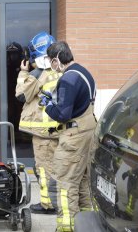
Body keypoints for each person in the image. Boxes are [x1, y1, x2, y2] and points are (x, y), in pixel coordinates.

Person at [40, 41, 96, 232]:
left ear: (56, 60)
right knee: (81, 183)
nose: (51, 66)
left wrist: (47, 105)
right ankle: (85, 225)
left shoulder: (67, 79)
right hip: (88, 131)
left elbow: (63, 114)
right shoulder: (83, 72)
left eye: (51, 61)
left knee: (64, 184)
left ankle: (67, 228)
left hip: (74, 136)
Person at [15, 32, 60, 215]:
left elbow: (21, 95)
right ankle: (55, 201)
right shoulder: (60, 71)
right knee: (56, 168)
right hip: (58, 130)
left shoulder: (37, 74)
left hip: (43, 133)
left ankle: (48, 204)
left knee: (44, 168)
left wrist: (24, 72)